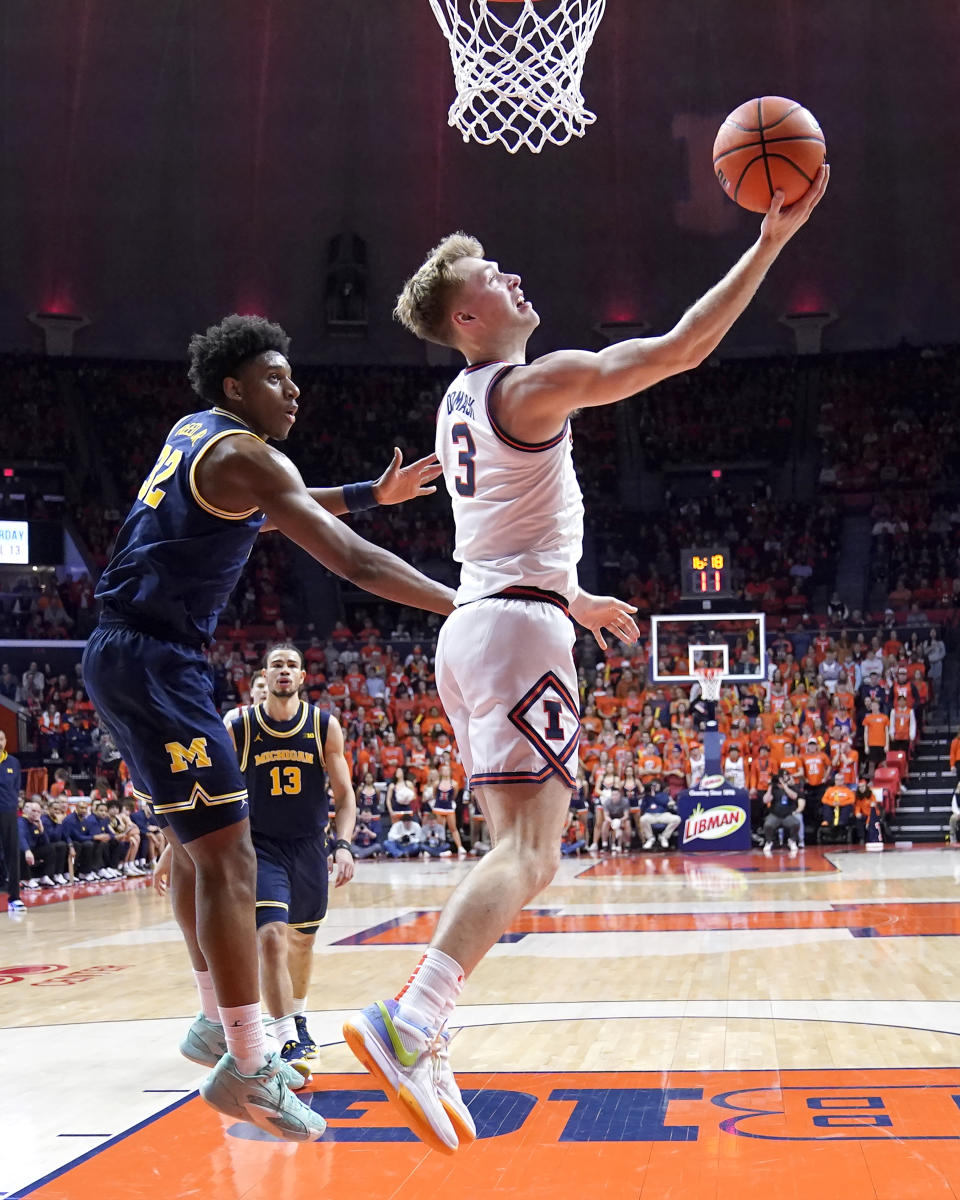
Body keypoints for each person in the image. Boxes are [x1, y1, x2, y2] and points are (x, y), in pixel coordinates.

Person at [343, 164, 830, 1153]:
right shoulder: (528, 384)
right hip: (515, 630)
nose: (513, 277)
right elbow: (683, 350)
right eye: (491, 276)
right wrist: (772, 242)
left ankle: (430, 1028)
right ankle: (414, 1017)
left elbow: (501, 533)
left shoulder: (459, 403)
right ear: (466, 319)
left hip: (480, 625)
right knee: (532, 854)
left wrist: (572, 591)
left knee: (510, 851)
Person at [81, 313, 455, 1141]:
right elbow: (352, 561)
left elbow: (277, 509)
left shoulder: (199, 434)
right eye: (277, 378)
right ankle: (248, 1065)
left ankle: (217, 1021)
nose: (295, 390)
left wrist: (369, 493)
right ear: (234, 387)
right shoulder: (250, 454)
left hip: (120, 653)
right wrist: (463, 603)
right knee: (230, 859)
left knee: (193, 850)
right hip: (160, 662)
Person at [224, 643, 355, 1069]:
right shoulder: (240, 725)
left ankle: (296, 1018)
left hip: (308, 846)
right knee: (271, 936)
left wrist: (344, 845)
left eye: (292, 665)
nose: (284, 670)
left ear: (302, 678)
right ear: (263, 676)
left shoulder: (323, 725)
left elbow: (345, 795)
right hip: (259, 846)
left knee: (302, 939)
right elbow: (213, 792)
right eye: (276, 664)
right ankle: (283, 1036)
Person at [0, 729, 24, 912]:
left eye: (1, 738)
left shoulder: (13, 762)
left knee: (12, 854)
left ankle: (14, 897)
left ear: (6, 740)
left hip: (8, 813)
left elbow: (16, 788)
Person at [762, 767, 804, 856]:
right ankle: (769, 842)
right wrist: (770, 786)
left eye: (786, 776)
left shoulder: (792, 787)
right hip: (775, 815)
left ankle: (792, 841)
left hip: (787, 815)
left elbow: (794, 796)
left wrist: (784, 786)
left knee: (796, 823)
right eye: (783, 776)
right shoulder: (774, 788)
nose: (785, 777)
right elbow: (765, 800)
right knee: (768, 824)